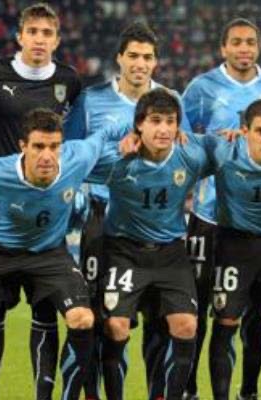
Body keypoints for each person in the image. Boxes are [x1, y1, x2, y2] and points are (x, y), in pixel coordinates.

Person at [0, 4, 83, 398]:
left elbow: (74, 138)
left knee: (46, 310)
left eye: (47, 33)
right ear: (19, 36)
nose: (39, 39)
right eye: (33, 32)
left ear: (57, 39)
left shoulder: (69, 80)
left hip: (46, 215)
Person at [0, 108, 112, 400]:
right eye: (38, 146)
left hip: (49, 253)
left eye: (54, 147)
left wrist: (132, 136)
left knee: (82, 318)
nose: (47, 155)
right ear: (23, 146)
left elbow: (105, 134)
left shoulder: (77, 158)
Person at [64, 22, 190, 400]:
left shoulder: (170, 100)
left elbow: (183, 153)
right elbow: (73, 155)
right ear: (119, 58)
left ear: (156, 61)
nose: (140, 63)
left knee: (158, 319)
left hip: (152, 219)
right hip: (102, 217)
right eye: (133, 55)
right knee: (101, 317)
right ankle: (94, 393)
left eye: (147, 57)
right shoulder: (91, 100)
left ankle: (157, 393)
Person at [181, 18, 261, 400]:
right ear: (223, 48)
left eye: (250, 42)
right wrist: (216, 143)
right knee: (198, 309)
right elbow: (184, 141)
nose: (244, 49)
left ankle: (249, 390)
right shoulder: (201, 88)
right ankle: (190, 388)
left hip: (255, 220)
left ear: (259, 46)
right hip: (209, 217)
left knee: (253, 313)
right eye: (237, 42)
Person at [86, 88, 209, 400]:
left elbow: (227, 149)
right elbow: (77, 159)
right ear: (139, 124)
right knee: (116, 327)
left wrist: (236, 135)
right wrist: (118, 136)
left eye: (170, 121)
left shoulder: (191, 156)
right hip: (124, 250)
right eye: (155, 121)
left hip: (170, 253)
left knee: (186, 325)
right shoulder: (118, 160)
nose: (163, 129)